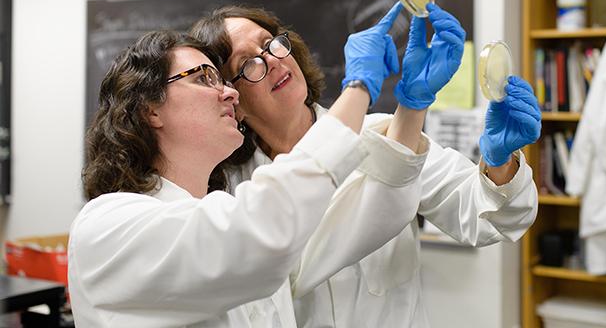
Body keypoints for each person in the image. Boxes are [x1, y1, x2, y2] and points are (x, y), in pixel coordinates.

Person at [190, 1, 542, 328]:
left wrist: (500, 162)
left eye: (271, 43)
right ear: (231, 98)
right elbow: (293, 273)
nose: (273, 61)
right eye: (247, 64)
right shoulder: (228, 191)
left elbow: (489, 219)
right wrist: (406, 119)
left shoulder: (382, 132)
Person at [68, 29, 431, 327]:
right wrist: (358, 90)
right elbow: (262, 228)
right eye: (204, 78)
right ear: (150, 109)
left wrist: (412, 108)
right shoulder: (108, 226)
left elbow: (353, 222)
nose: (230, 92)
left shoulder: (220, 209)